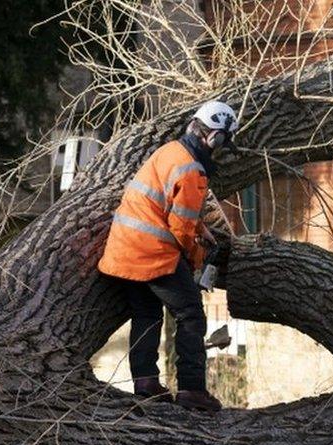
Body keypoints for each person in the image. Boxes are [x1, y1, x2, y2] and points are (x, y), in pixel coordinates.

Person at [98, 100, 239, 413]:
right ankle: (192, 389)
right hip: (152, 253)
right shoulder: (193, 171)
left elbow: (165, 203)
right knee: (190, 315)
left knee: (146, 314)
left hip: (124, 250)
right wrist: (197, 258)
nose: (220, 150)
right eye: (222, 143)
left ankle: (146, 383)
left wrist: (200, 226)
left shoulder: (170, 151)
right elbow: (180, 227)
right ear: (214, 138)